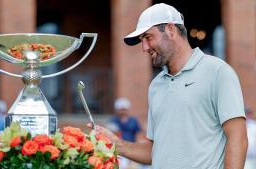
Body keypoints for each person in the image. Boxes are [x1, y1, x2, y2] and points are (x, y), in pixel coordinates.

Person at [91, 3, 248, 169]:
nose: (144, 47)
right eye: (141, 40)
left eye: (148, 37)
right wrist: (117, 144)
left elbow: (238, 139)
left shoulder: (217, 71)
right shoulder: (156, 86)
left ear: (171, 30)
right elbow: (154, 151)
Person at [108, 97, 142, 169]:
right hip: (119, 149)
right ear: (117, 110)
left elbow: (138, 134)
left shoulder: (133, 120)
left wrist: (138, 148)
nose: (123, 112)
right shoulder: (113, 121)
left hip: (132, 148)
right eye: (121, 110)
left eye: (124, 109)